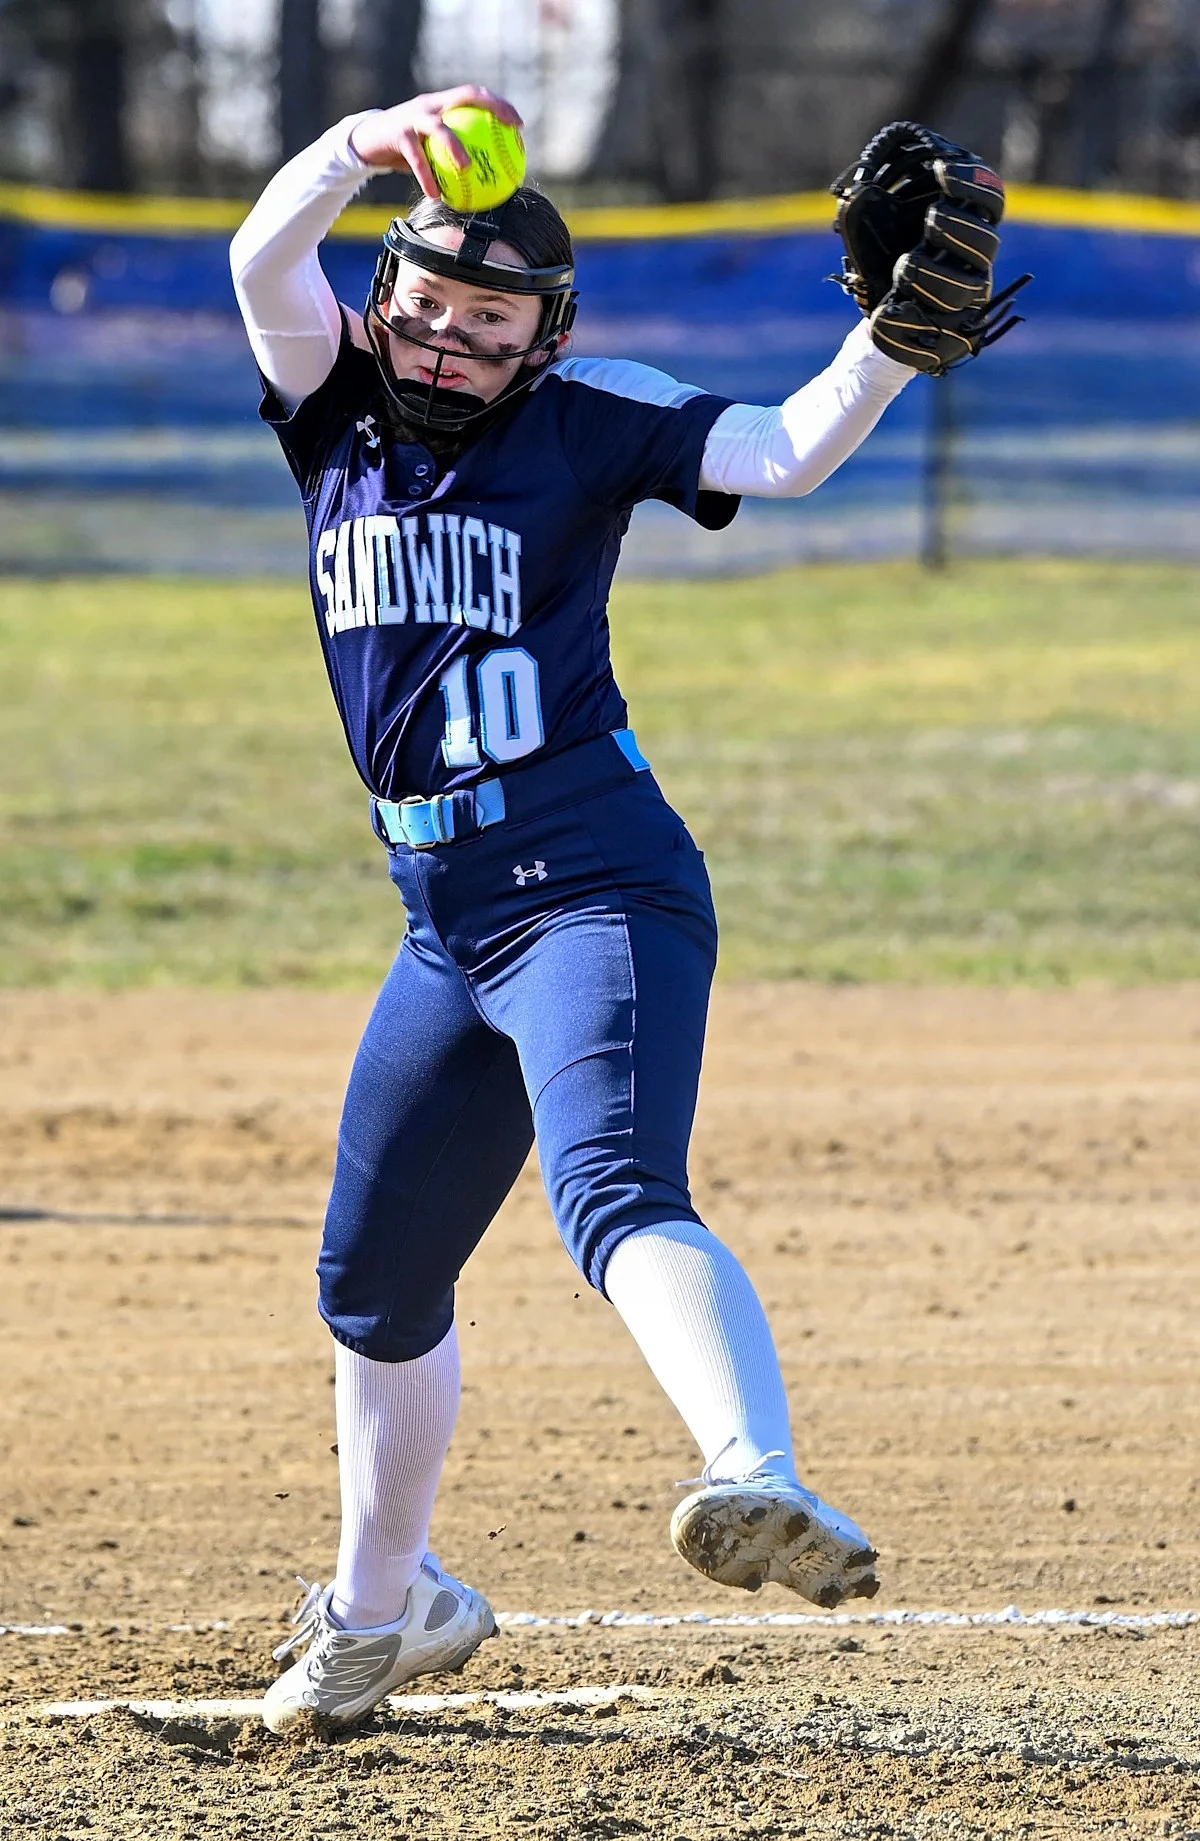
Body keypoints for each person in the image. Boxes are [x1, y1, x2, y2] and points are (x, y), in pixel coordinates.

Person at [229, 84, 915, 1734]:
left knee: (611, 1187)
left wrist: (892, 344)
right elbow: (260, 256)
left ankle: (755, 1470)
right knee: (372, 1287)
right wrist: (366, 141)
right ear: (381, 299)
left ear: (546, 336)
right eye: (428, 305)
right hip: (442, 917)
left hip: (592, 880)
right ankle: (383, 1614)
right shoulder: (333, 406)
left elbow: (784, 452)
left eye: (492, 321)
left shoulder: (589, 415)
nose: (451, 339)